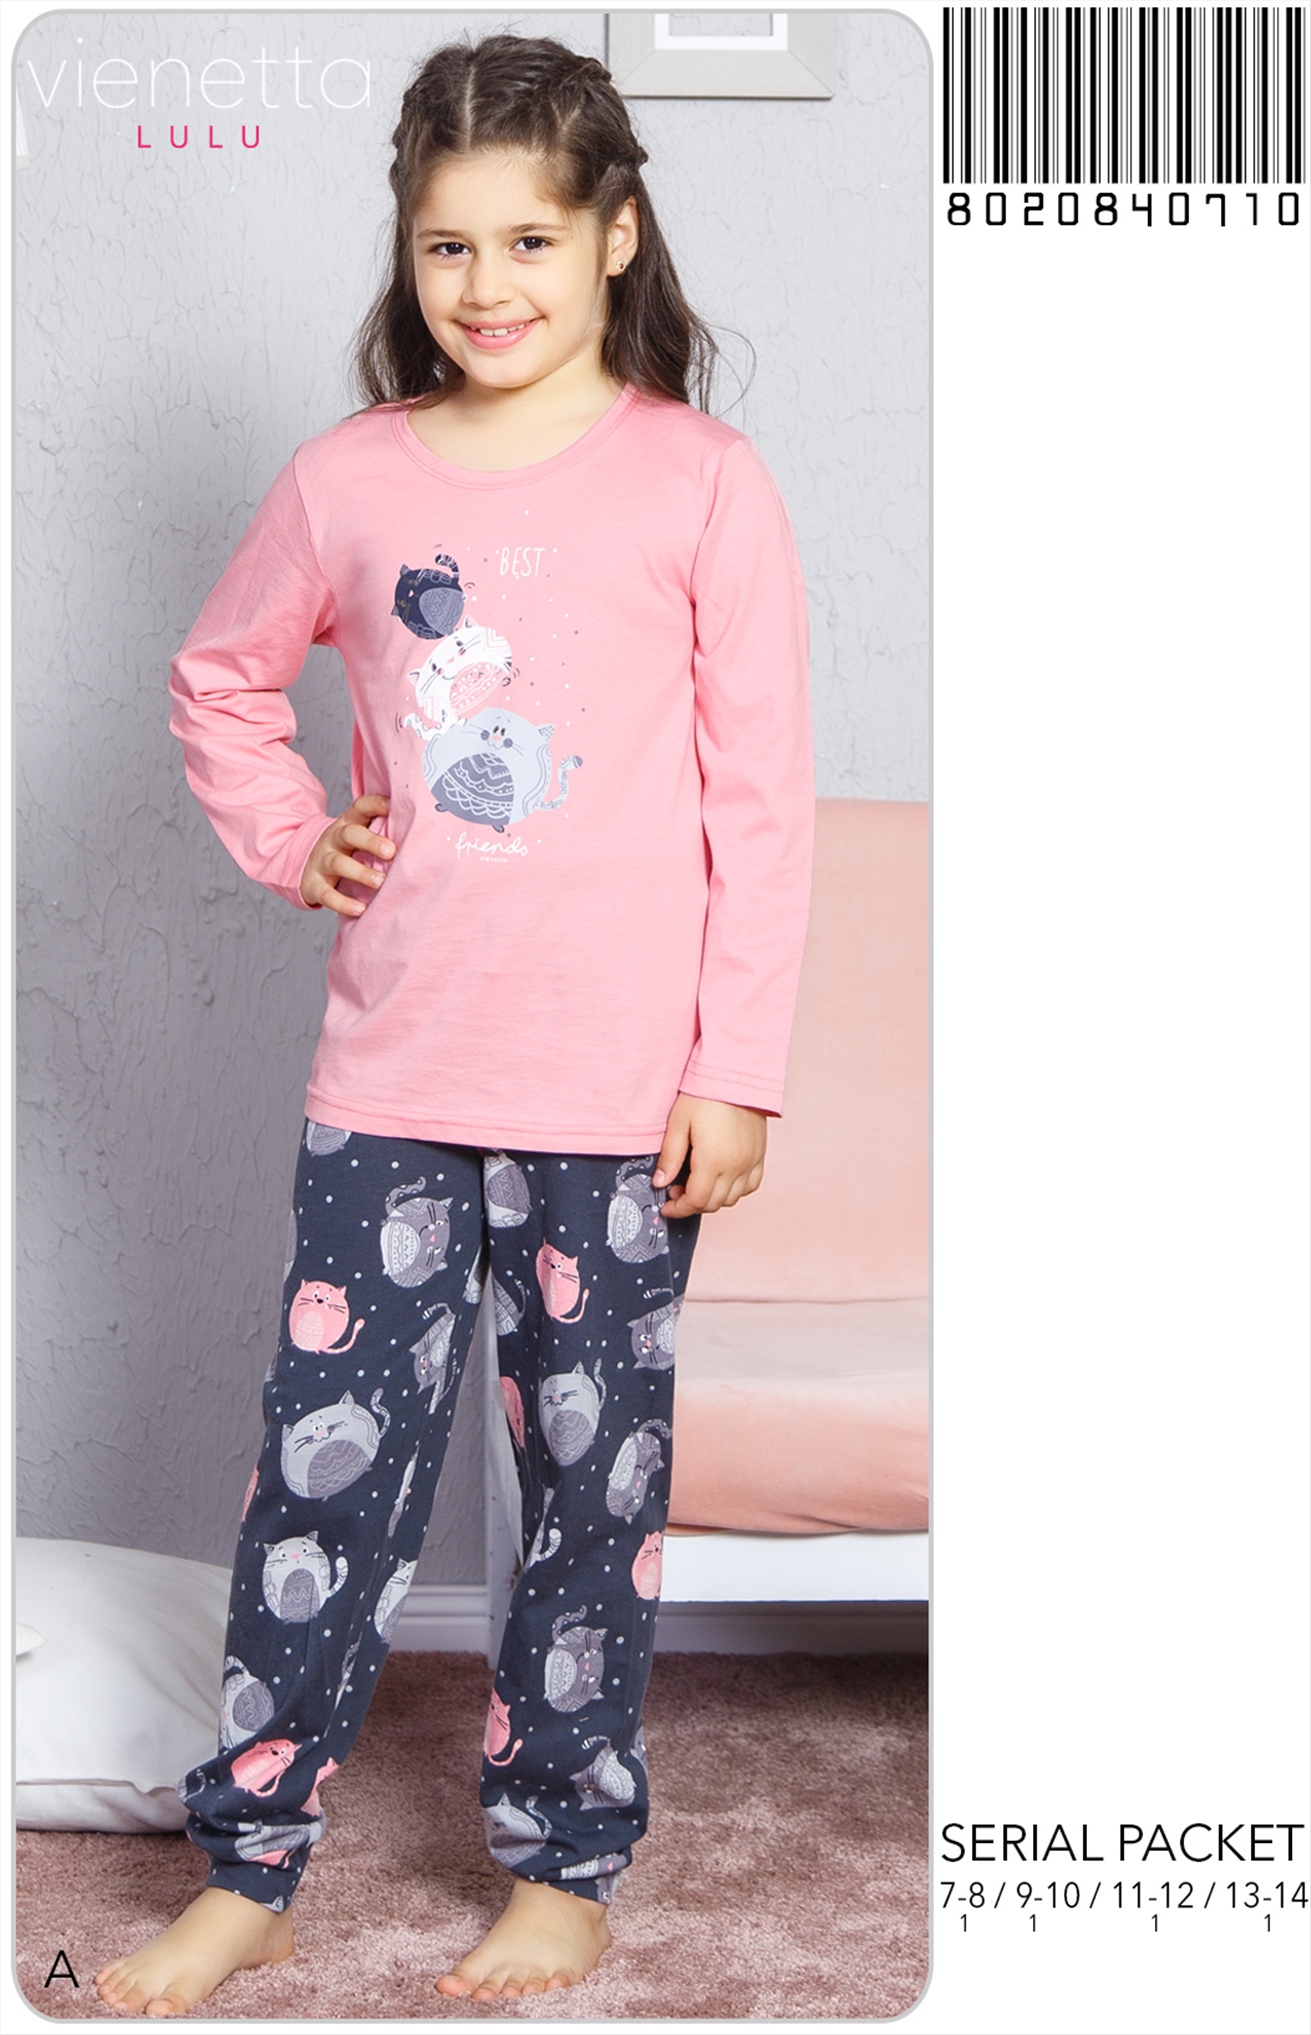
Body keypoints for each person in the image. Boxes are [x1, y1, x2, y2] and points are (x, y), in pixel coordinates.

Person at [93, 30, 813, 2018]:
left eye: (527, 240)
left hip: (620, 1099)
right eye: (445, 245)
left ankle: (564, 1863)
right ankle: (250, 1865)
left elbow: (760, 803)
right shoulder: (347, 479)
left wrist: (735, 1069)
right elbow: (220, 679)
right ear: (406, 252)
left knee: (590, 1488)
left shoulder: (701, 482)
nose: (485, 286)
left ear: (614, 234)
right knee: (323, 1482)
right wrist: (286, 835)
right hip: (392, 1083)